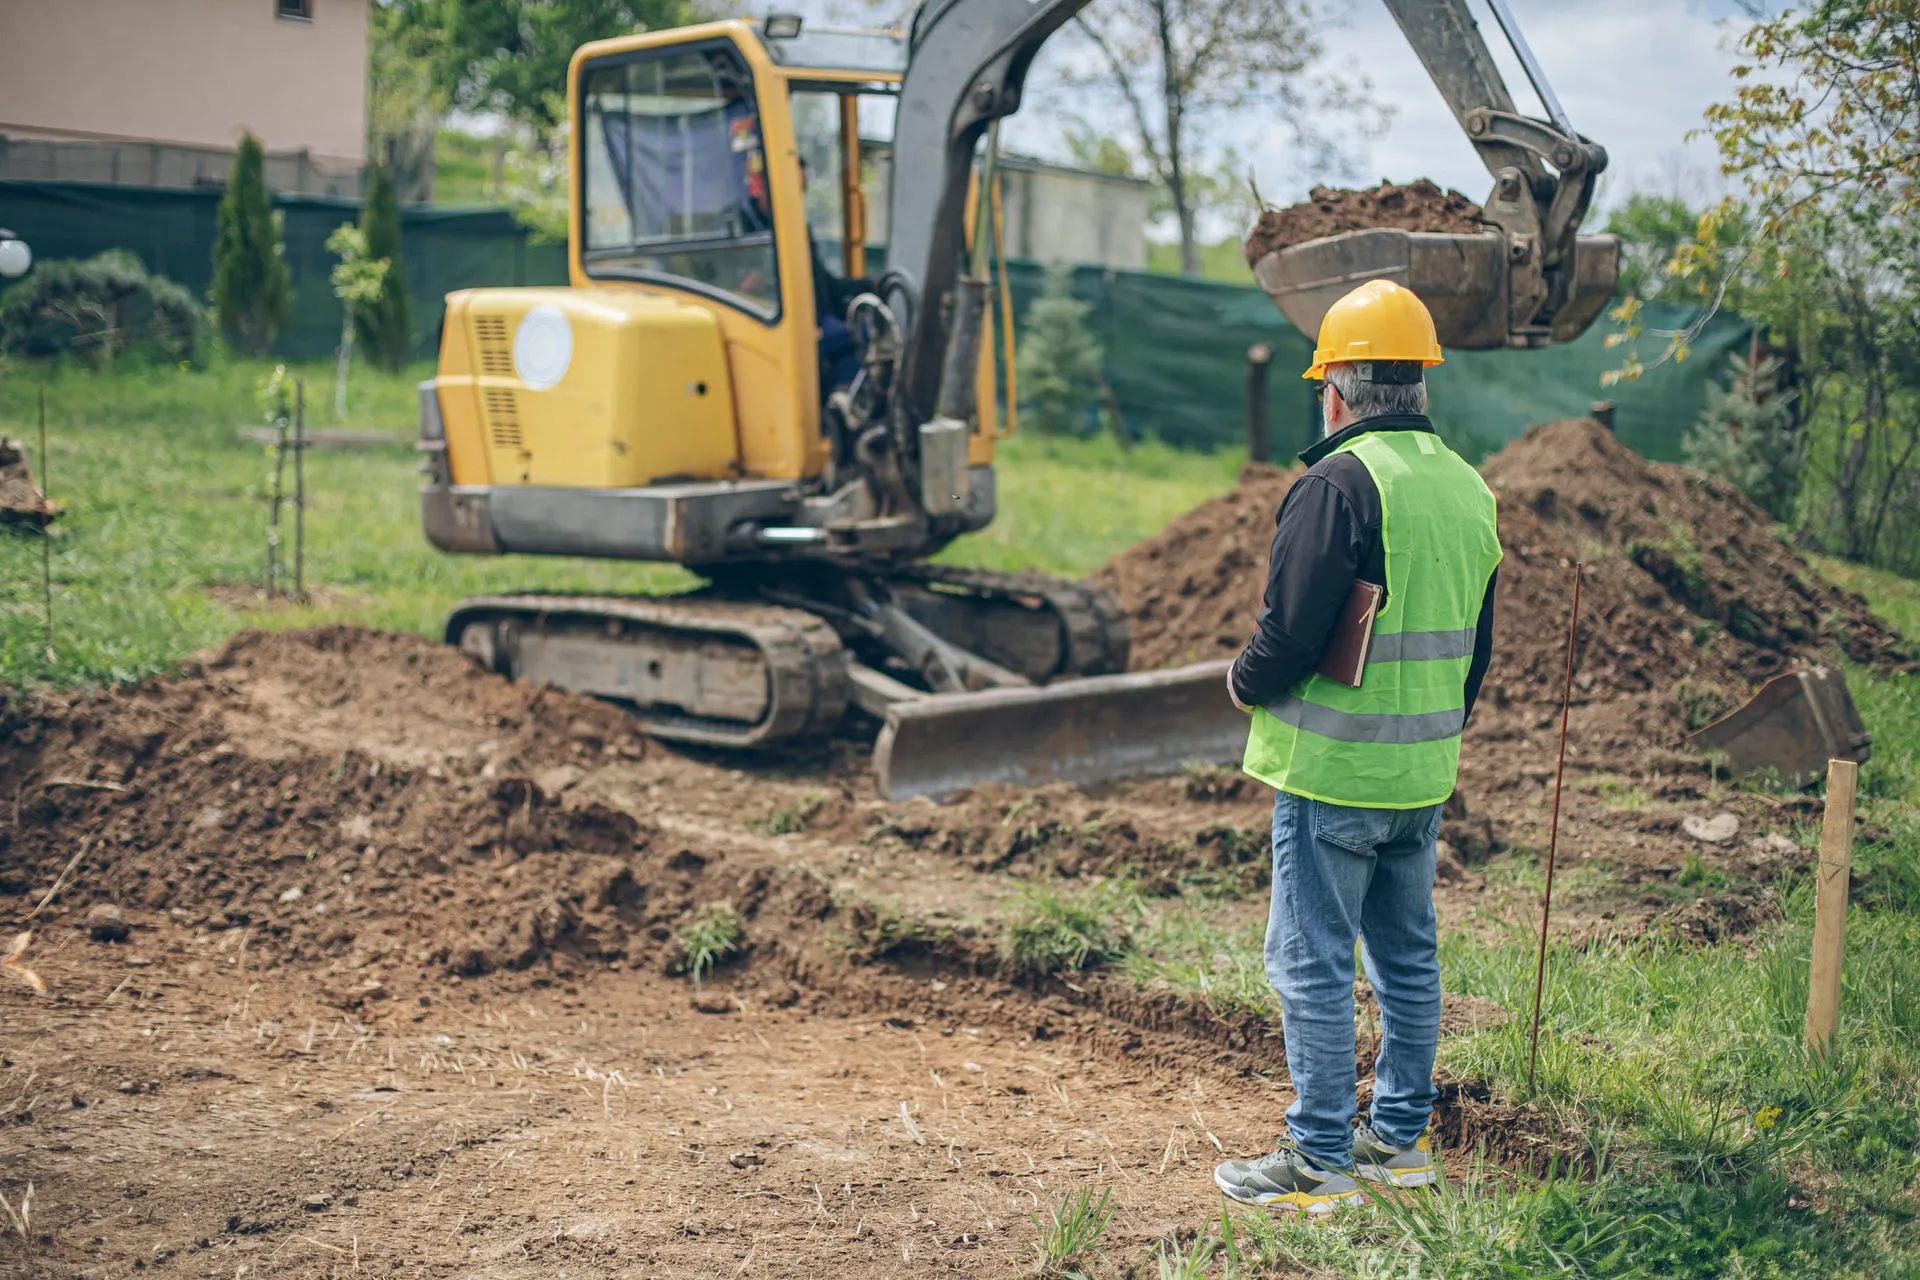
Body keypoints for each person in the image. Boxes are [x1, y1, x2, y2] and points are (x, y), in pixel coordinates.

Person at [1211, 279, 1501, 1214]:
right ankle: (1401, 1144)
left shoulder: (1337, 481)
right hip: (1421, 771)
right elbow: (1475, 650)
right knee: (1407, 958)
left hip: (1333, 770)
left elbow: (1289, 632)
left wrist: (1242, 683)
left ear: (1333, 388)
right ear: (1420, 384)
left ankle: (1318, 1158)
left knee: (1312, 962)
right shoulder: (1468, 486)